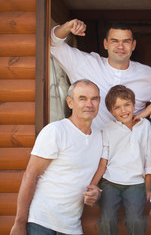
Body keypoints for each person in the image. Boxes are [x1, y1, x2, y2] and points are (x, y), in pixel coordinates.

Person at [10, 79, 103, 235]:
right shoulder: (56, 131)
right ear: (70, 102)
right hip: (41, 223)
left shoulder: (100, 138)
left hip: (72, 227)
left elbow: (88, 179)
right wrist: (19, 223)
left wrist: (96, 193)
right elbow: (30, 176)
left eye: (94, 99)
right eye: (82, 99)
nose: (89, 104)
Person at [50, 19, 151, 130]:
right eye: (114, 41)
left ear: (133, 45)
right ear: (105, 44)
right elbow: (53, 45)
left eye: (126, 41)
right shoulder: (85, 63)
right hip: (92, 143)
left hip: (131, 144)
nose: (120, 46)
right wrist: (68, 26)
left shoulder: (149, 75)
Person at [90, 85, 151, 235]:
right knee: (107, 220)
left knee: (136, 220)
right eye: (117, 107)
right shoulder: (107, 129)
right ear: (111, 111)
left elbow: (149, 158)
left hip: (136, 183)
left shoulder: (144, 125)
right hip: (111, 182)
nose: (123, 110)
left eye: (127, 105)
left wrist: (147, 188)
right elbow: (103, 162)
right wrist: (93, 185)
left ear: (133, 105)